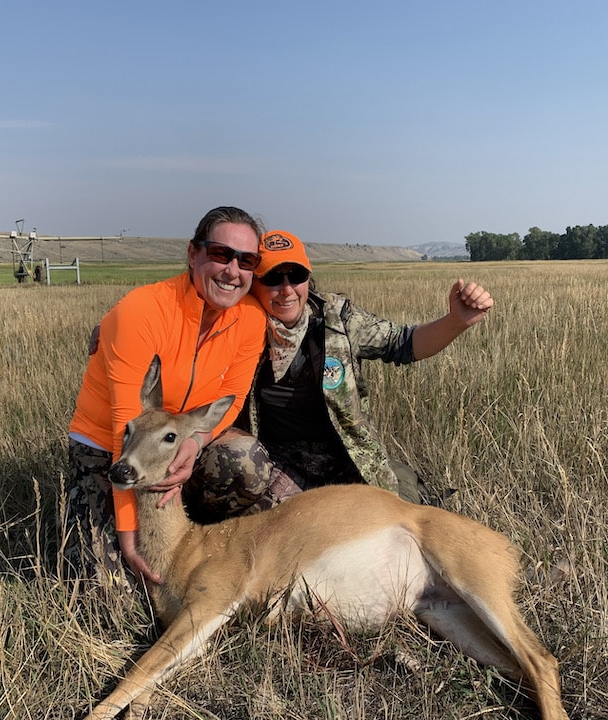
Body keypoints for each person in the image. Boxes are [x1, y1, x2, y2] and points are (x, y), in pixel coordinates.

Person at [64, 206, 271, 588]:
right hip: (113, 447)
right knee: (109, 595)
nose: (233, 271)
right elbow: (125, 430)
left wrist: (197, 439)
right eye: (221, 255)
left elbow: (234, 398)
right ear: (193, 254)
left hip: (178, 440)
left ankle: (194, 526)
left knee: (247, 462)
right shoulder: (142, 311)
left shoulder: (252, 320)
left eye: (247, 261)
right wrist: (129, 538)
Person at [234, 229, 494, 505]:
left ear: (308, 279)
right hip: (281, 467)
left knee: (394, 518)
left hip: (347, 459)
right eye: (273, 278)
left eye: (296, 276)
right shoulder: (237, 331)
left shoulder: (339, 320)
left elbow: (403, 343)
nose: (286, 289)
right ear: (253, 284)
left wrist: (456, 322)